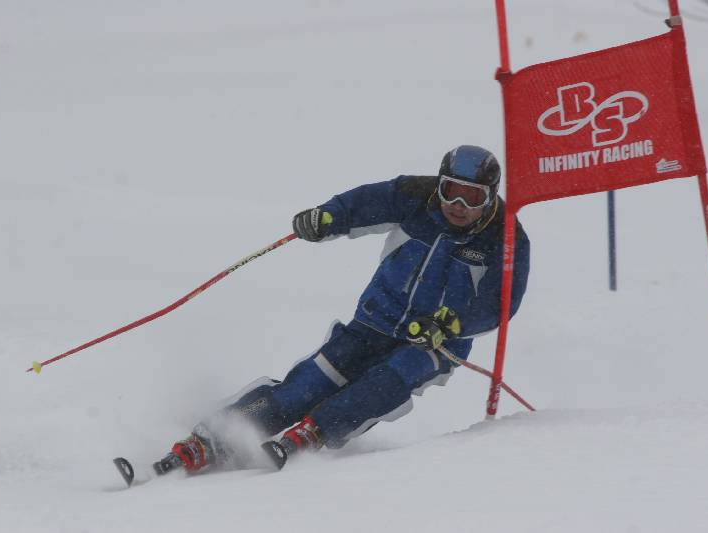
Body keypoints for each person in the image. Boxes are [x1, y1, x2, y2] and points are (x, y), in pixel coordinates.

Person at [157, 145, 531, 474]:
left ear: (490, 196)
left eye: (473, 197)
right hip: (375, 321)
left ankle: (315, 432)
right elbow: (365, 203)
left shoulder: (505, 236)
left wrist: (451, 324)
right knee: (307, 384)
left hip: (435, 342)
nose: (459, 206)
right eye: (451, 191)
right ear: (439, 185)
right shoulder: (415, 196)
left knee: (386, 383)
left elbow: (500, 302)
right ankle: (211, 439)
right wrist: (328, 217)